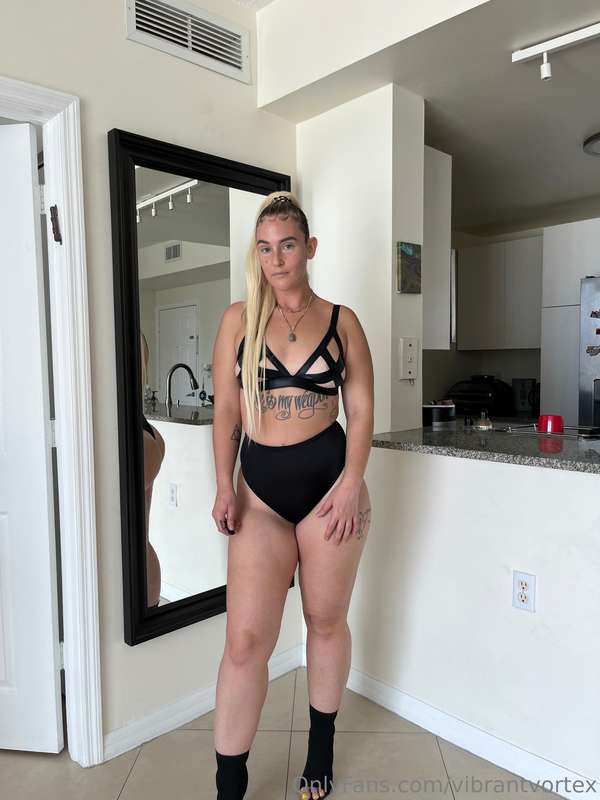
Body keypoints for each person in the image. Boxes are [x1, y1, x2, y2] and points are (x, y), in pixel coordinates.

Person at [210, 191, 374, 800]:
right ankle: (230, 785)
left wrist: (352, 484)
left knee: (325, 622)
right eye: (264, 248)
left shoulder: (342, 321)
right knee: (244, 642)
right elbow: (226, 411)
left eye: (286, 246)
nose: (275, 259)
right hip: (260, 496)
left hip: (331, 489)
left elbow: (361, 411)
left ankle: (320, 750)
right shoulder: (238, 319)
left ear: (310, 248)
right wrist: (223, 486)